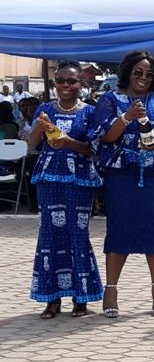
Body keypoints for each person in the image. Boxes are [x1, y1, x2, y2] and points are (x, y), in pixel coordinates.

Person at [90, 50, 154, 318]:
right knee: (119, 230)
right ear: (127, 73)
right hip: (122, 175)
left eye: (149, 74)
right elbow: (103, 138)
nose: (143, 78)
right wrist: (127, 118)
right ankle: (110, 290)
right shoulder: (110, 100)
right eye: (138, 72)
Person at [27, 61, 103, 318]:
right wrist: (40, 125)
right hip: (49, 179)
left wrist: (69, 142)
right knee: (50, 236)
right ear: (54, 84)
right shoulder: (45, 109)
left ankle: (81, 297)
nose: (66, 86)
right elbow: (32, 143)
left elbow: (94, 149)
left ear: (82, 83)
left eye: (72, 81)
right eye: (60, 81)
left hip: (79, 180)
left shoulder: (90, 112)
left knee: (76, 235)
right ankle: (52, 299)